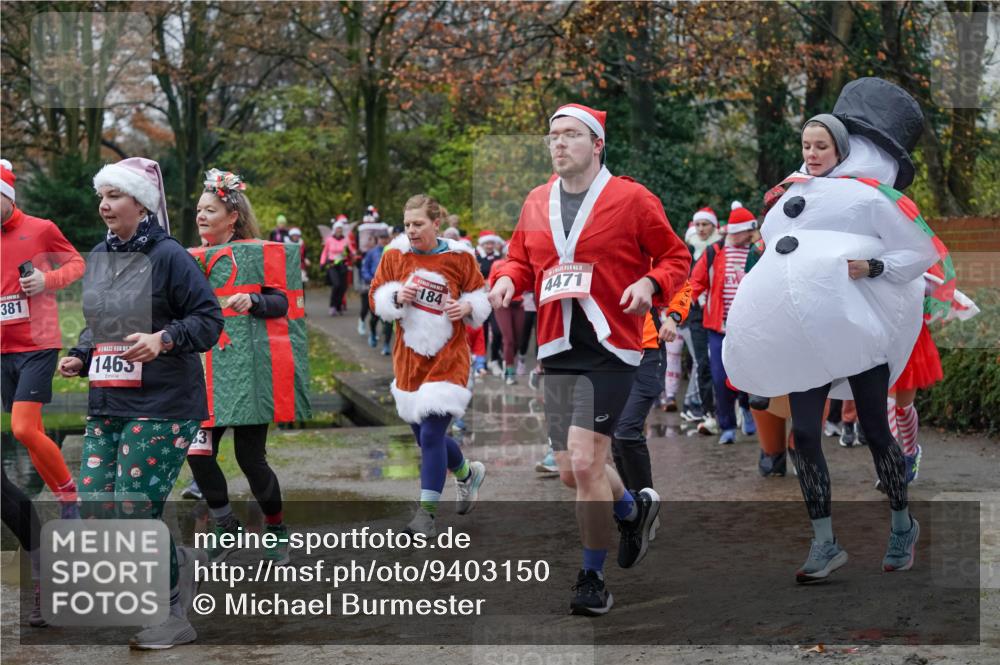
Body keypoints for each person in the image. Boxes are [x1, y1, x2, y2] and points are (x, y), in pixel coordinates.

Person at [723, 78, 940, 583]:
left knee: (875, 431)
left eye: (822, 146)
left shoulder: (870, 199)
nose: (812, 153)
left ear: (842, 148)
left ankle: (902, 524)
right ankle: (824, 542)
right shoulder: (789, 196)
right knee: (803, 434)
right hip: (802, 334)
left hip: (859, 335)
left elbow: (919, 252)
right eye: (806, 145)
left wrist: (874, 267)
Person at [489, 103, 690, 615]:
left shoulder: (631, 198)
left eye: (571, 135)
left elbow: (676, 258)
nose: (558, 143)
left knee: (586, 460)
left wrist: (650, 282)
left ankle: (591, 578)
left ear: (597, 144)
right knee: (570, 472)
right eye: (552, 135)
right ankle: (631, 508)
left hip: (613, 346)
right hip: (557, 347)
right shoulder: (537, 201)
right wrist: (508, 277)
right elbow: (518, 256)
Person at [58, 157, 224, 648]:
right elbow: (99, 321)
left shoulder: (170, 256)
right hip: (109, 399)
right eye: (102, 197)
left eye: (115, 196)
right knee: (93, 501)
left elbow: (209, 321)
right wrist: (81, 354)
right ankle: (176, 563)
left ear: (140, 202)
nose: (105, 206)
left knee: (134, 508)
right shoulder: (100, 254)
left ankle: (172, 615)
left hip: (166, 402)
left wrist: (164, 339)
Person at [185, 168, 303, 566]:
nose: (201, 216)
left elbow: (283, 302)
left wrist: (254, 303)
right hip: (203, 371)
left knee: (251, 460)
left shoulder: (259, 254)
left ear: (231, 215)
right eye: (199, 210)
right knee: (197, 452)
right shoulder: (187, 259)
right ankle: (224, 523)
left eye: (210, 210)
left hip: (248, 370)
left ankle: (275, 527)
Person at [369, 193, 491, 537]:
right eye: (407, 224)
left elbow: (480, 295)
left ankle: (426, 515)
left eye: (418, 224)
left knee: (434, 434)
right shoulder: (394, 255)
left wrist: (467, 308)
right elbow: (375, 293)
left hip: (449, 359)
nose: (411, 230)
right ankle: (468, 474)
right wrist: (395, 297)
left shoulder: (459, 257)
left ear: (436, 224)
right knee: (425, 438)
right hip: (409, 362)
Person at [1, 158, 86, 519]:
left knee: (21, 428)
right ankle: (67, 503)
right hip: (3, 349)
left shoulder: (40, 229)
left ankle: (72, 498)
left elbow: (76, 263)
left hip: (37, 343)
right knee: (32, 430)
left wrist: (45, 280)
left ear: (7, 196)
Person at [689, 201, 758, 444]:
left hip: (748, 327)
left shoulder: (756, 251)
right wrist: (679, 310)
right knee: (719, 377)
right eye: (747, 232)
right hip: (718, 327)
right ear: (734, 231)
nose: (750, 236)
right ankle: (727, 425)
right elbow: (694, 283)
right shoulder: (714, 252)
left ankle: (747, 407)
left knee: (747, 375)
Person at [679, 207, 720, 424]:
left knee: (718, 363)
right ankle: (704, 409)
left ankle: (717, 408)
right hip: (694, 315)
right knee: (701, 362)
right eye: (698, 225)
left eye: (706, 224)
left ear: (714, 226)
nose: (702, 229)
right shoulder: (688, 252)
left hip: (717, 312)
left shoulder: (719, 249)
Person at [488, 254, 527, 385]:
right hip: (503, 304)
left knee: (518, 340)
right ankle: (510, 371)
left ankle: (506, 359)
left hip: (519, 304)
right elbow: (492, 283)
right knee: (508, 339)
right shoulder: (498, 264)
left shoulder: (523, 265)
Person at [477, 230, 506, 375]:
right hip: (481, 298)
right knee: (482, 331)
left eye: (492, 243)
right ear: (482, 243)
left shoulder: (499, 257)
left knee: (497, 330)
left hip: (495, 298)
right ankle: (479, 362)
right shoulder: (476, 257)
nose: (489, 245)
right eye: (487, 243)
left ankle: (495, 360)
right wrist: (483, 282)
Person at [361, 230, 393, 354]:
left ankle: (386, 345)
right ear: (377, 239)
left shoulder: (393, 251)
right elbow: (364, 268)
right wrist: (371, 279)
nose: (384, 240)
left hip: (389, 289)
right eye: (381, 238)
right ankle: (373, 333)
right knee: (374, 316)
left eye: (386, 238)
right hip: (376, 288)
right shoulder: (371, 253)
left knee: (389, 319)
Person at [320, 219, 355, 316]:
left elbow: (351, 251)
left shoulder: (346, 239)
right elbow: (325, 252)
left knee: (343, 287)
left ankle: (339, 306)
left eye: (340, 229)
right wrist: (322, 263)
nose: (339, 230)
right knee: (336, 285)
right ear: (334, 230)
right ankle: (332, 306)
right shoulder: (329, 240)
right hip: (332, 265)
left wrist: (354, 254)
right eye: (337, 229)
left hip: (343, 265)